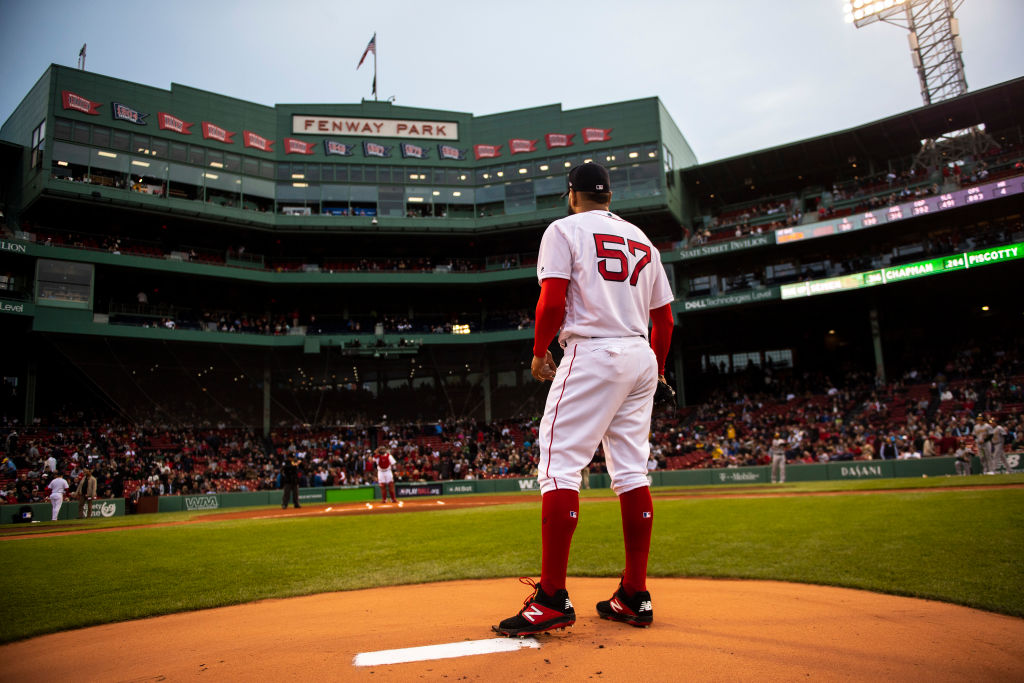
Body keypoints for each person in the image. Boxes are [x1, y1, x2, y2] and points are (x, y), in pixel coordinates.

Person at [493, 162, 674, 636]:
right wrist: (653, 367)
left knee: (558, 466)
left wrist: (538, 353)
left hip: (593, 349)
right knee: (632, 471)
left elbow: (552, 300)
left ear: (571, 194)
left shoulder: (563, 228)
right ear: (610, 195)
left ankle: (551, 597)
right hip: (640, 353)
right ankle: (634, 595)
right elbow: (666, 321)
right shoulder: (643, 239)